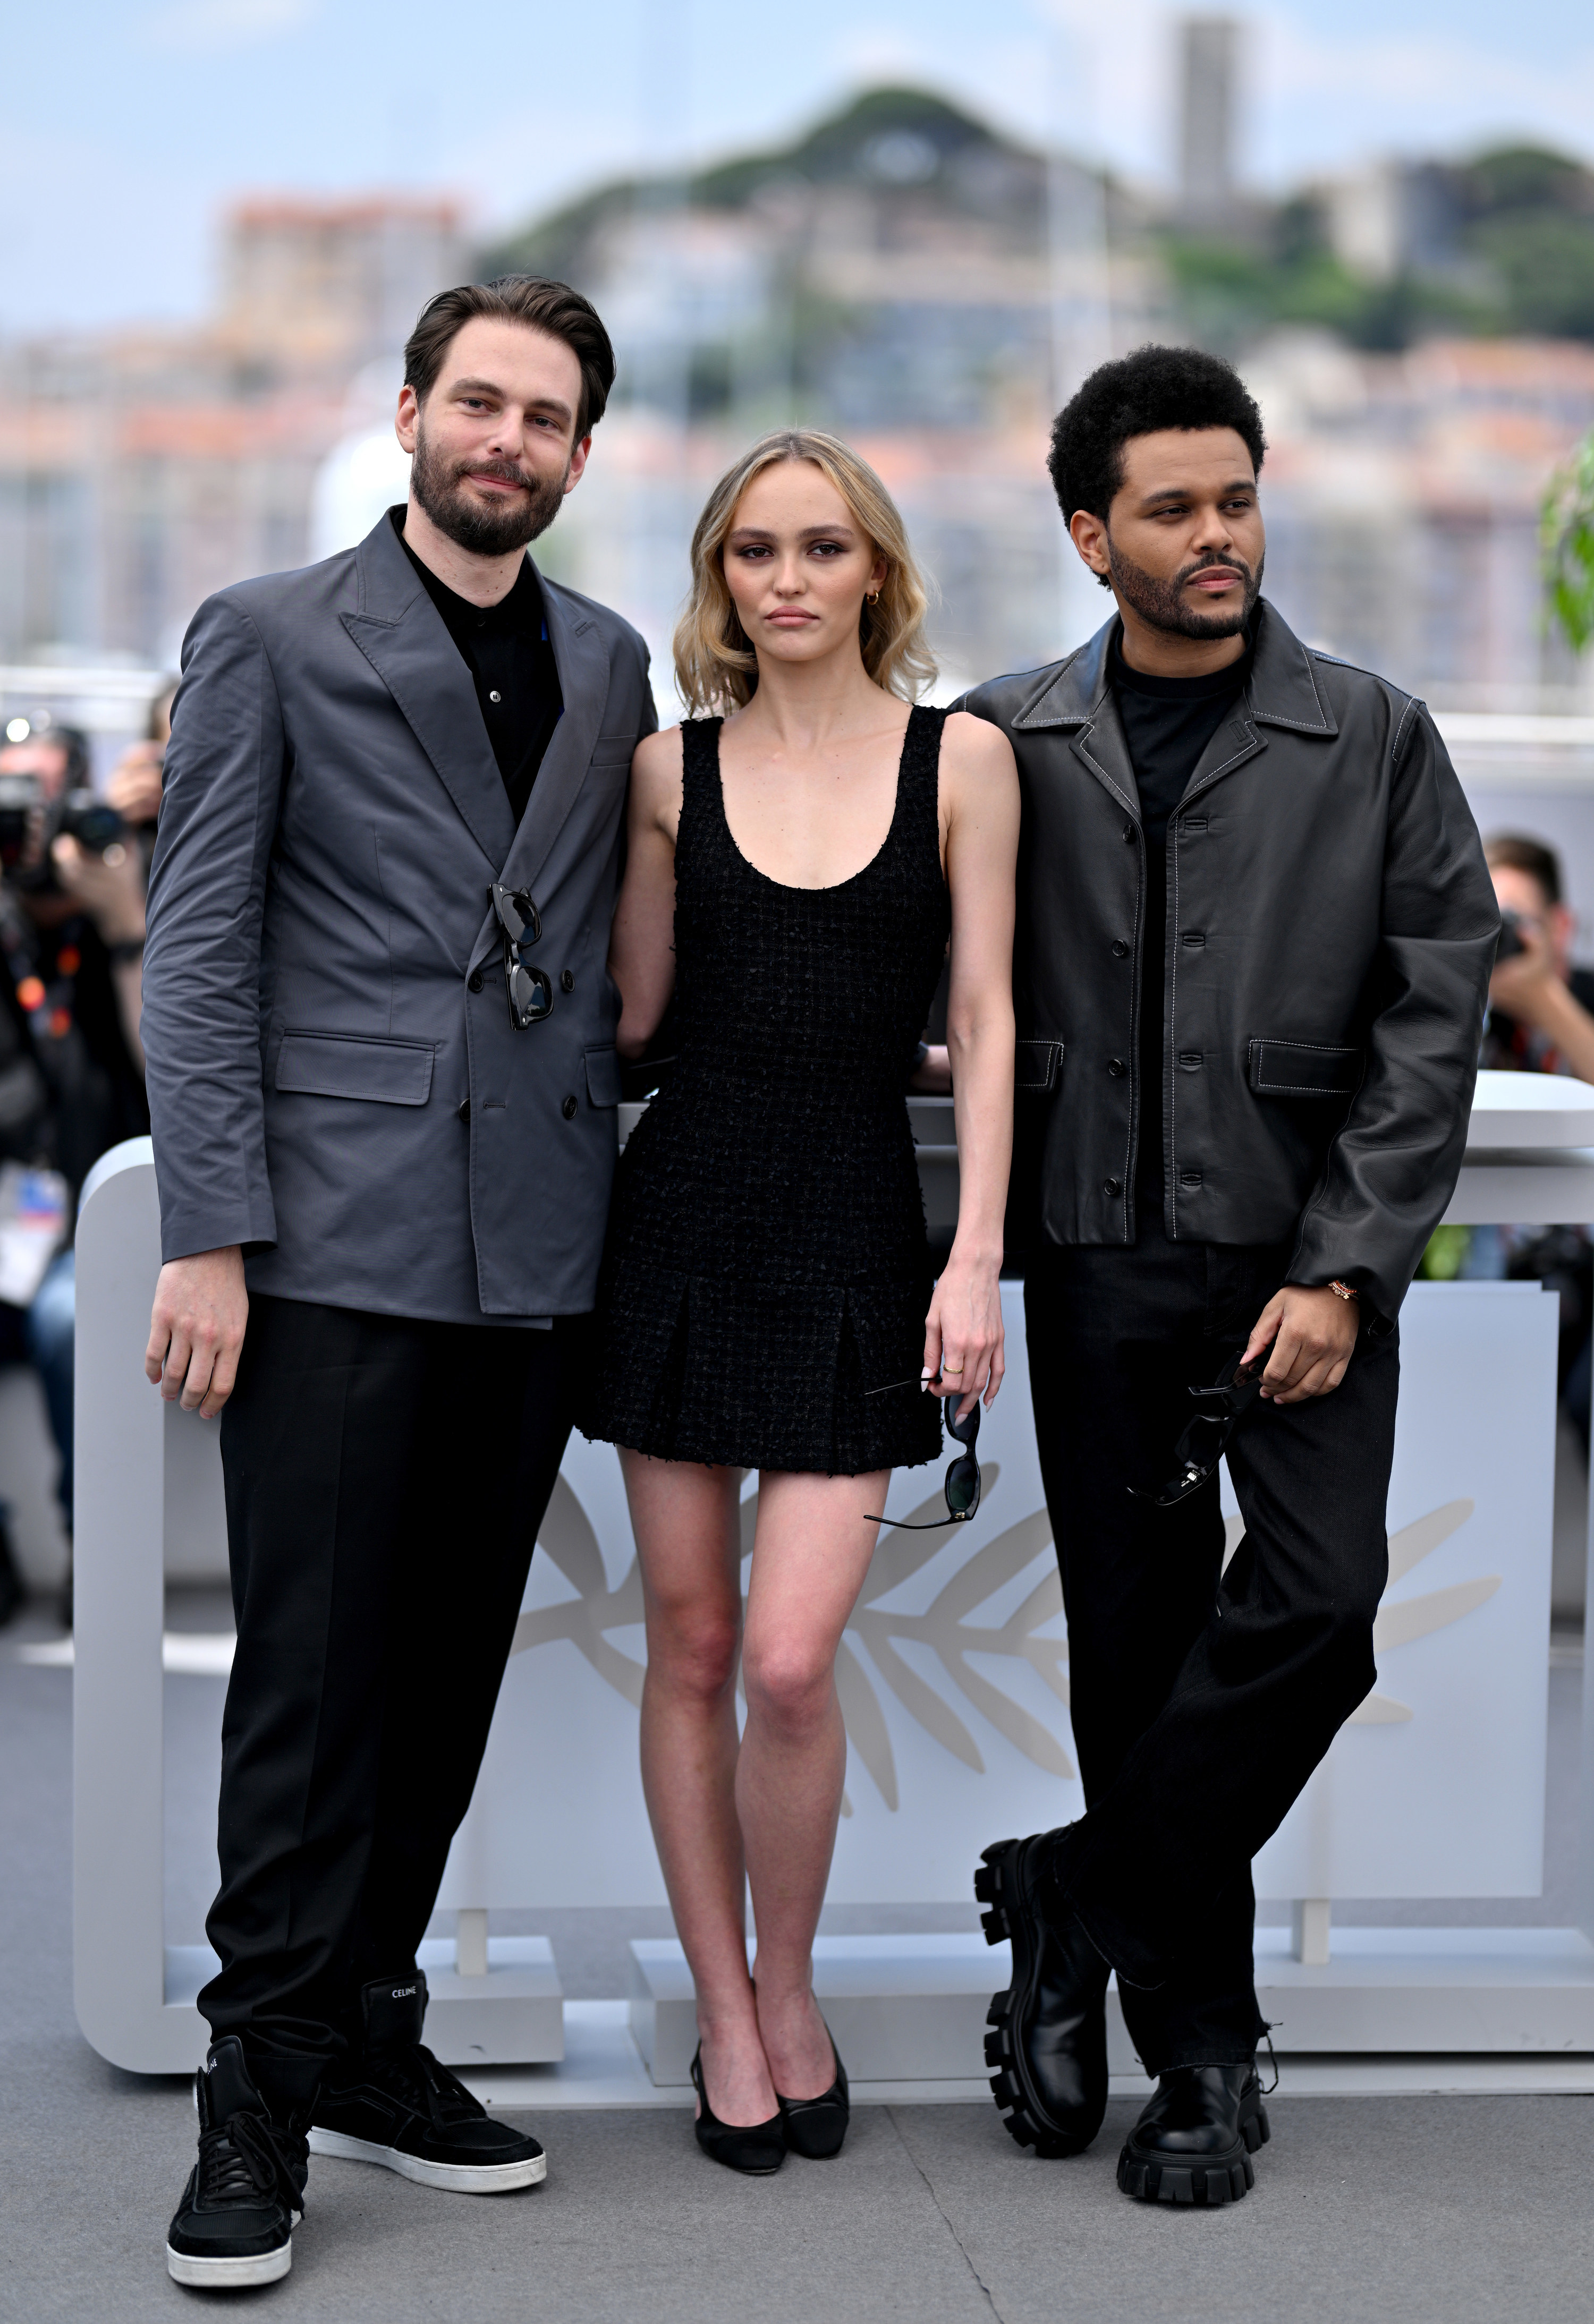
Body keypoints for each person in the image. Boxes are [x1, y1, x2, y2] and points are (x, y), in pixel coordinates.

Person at [139, 275, 655, 2291]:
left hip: (533, 1244)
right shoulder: (269, 633)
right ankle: (250, 2085)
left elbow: (619, 942)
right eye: (480, 402)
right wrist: (208, 1228)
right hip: (337, 1239)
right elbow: (194, 954)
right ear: (412, 413)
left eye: (547, 417)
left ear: (581, 454)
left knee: (441, 1677)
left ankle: (364, 2030)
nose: (507, 440)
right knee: (312, 1682)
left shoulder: (608, 661)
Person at [961, 345, 1497, 2206]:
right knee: (1135, 1648)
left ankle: (1076, 1891)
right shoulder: (1003, 736)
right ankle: (1200, 2053)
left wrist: (1349, 1264)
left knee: (1319, 1606)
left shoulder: (1372, 733)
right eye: (1174, 507)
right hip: (1097, 1251)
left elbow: (1437, 1013)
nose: (1218, 536)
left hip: (1299, 1259)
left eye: (1238, 497)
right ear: (1091, 532)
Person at [583, 430, 1019, 2173]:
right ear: (720, 579)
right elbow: (631, 1022)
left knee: (783, 1656)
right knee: (689, 1644)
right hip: (680, 1220)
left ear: (873, 571)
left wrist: (974, 1251)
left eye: (820, 547)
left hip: (861, 1228)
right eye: (753, 549)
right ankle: (728, 2012)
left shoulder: (964, 759)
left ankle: (793, 1979)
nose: (785, 577)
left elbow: (984, 1020)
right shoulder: (666, 772)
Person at [0, 714, 149, 1607]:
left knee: (67, 1322)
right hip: (10, 1230)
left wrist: (124, 923)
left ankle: (92, 1565)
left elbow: (169, 1067)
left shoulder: (116, 921)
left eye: (40, 798)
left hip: (95, 1241)